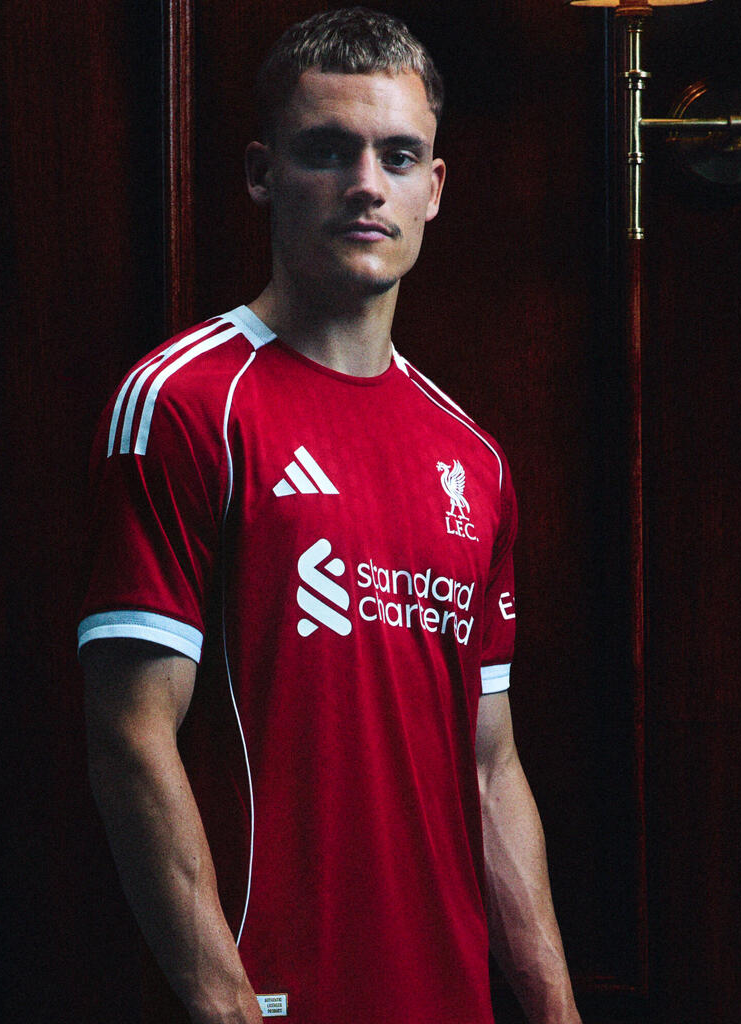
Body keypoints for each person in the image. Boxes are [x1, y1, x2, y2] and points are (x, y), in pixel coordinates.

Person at [79, 8, 582, 1024]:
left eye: (398, 156)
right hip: (271, 998)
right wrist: (226, 1005)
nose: (365, 184)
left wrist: (553, 1009)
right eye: (326, 150)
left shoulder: (473, 459)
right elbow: (130, 736)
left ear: (433, 188)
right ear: (262, 173)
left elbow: (490, 768)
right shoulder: (184, 403)